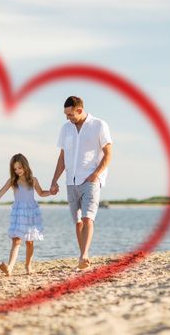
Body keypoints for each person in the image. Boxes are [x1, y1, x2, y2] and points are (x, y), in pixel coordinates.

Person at [50, 96, 112, 271]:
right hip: (71, 181)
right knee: (77, 221)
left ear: (79, 110)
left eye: (69, 114)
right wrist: (54, 180)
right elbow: (62, 157)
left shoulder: (99, 125)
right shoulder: (65, 129)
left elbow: (108, 153)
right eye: (65, 114)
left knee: (87, 218)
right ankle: (83, 256)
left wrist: (96, 175)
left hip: (90, 180)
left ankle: (84, 255)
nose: (67, 118)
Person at [0, 153, 51, 276]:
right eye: (15, 169)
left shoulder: (33, 180)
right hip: (19, 213)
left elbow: (41, 193)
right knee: (16, 240)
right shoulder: (12, 181)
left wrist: (51, 192)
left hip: (30, 212)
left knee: (30, 241)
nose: (18, 171)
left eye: (20, 167)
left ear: (25, 166)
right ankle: (9, 268)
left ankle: (28, 266)